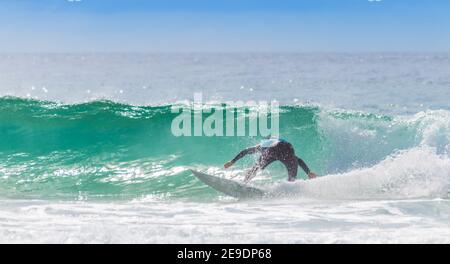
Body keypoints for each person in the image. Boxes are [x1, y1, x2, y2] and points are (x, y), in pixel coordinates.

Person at [224, 137, 317, 182]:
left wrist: (232, 161)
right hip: (288, 149)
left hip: (274, 150)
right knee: (292, 178)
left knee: (256, 168)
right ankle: (289, 191)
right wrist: (308, 172)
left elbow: (246, 151)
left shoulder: (266, 143)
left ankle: (244, 183)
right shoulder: (278, 141)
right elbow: (298, 160)